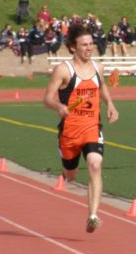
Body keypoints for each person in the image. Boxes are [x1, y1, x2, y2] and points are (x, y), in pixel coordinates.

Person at [44, 23, 118, 233]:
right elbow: (47, 99)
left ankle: (93, 215)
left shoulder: (98, 67)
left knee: (95, 165)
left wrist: (110, 104)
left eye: (91, 44)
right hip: (69, 132)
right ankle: (67, 170)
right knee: (71, 175)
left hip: (92, 127)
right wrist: (59, 106)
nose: (89, 48)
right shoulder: (63, 70)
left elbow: (101, 85)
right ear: (73, 47)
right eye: (84, 44)